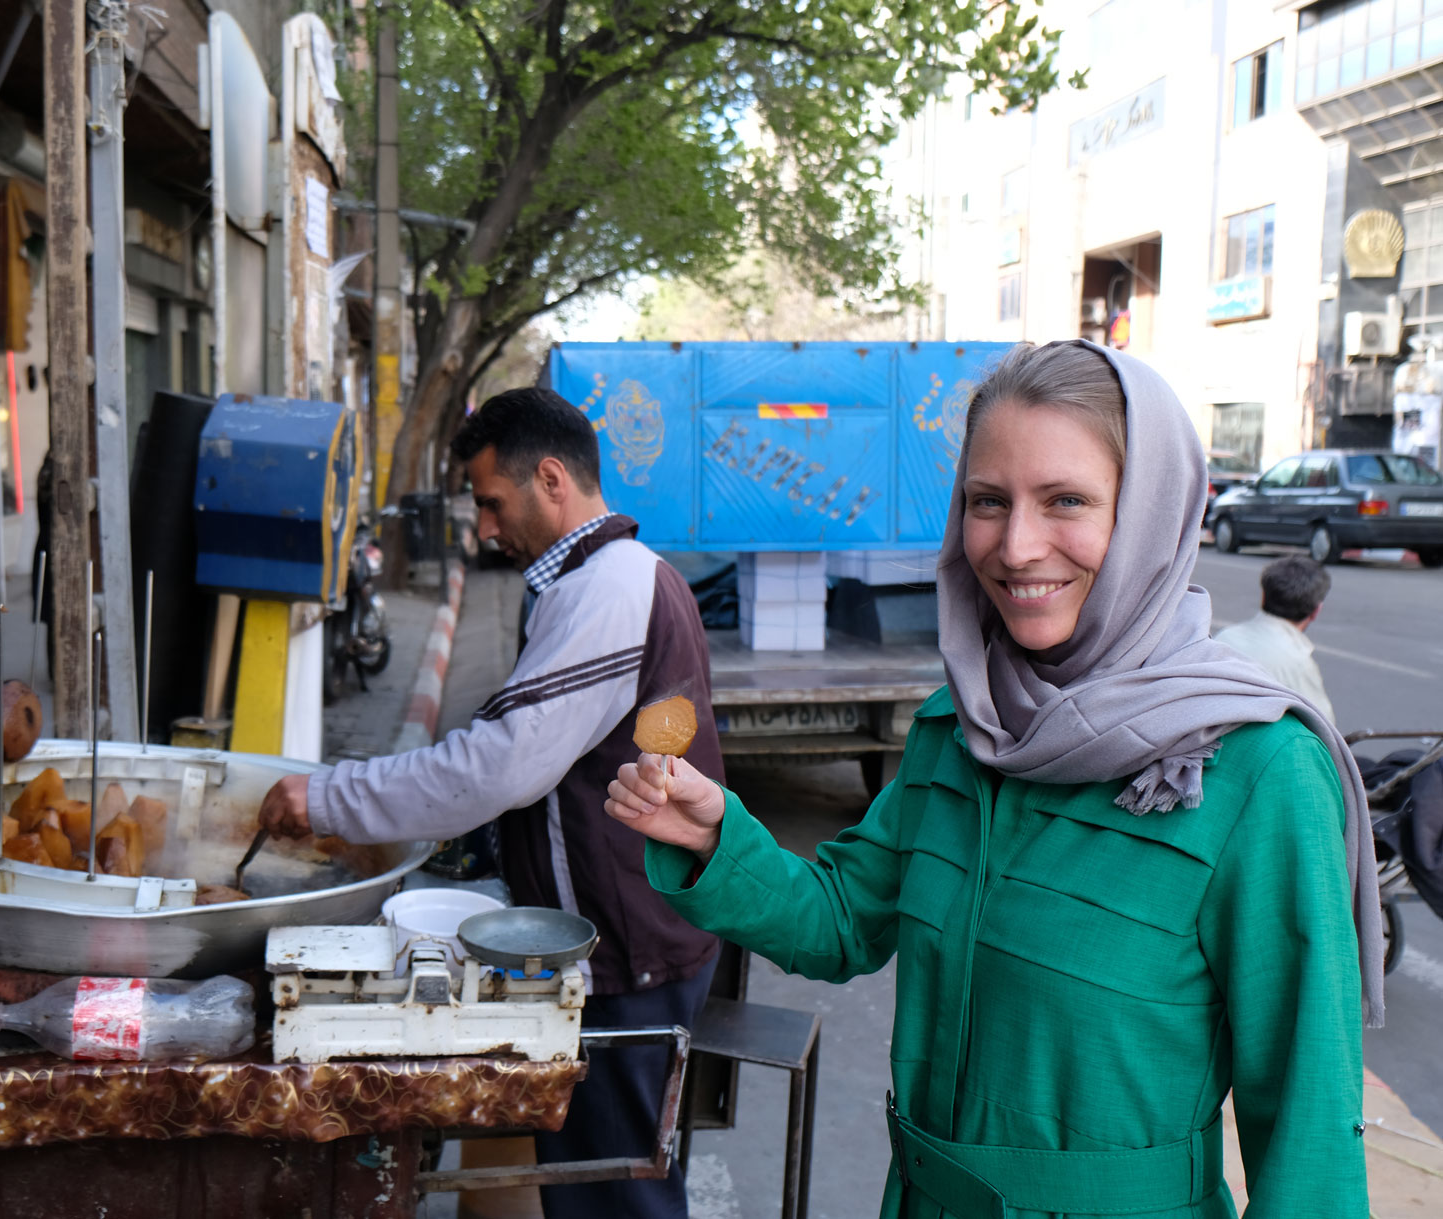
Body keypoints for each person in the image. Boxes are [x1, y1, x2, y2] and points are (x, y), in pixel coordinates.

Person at [606, 341, 1381, 1218]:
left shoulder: (1257, 772)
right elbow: (838, 922)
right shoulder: (960, 729)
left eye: (1066, 501)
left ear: (1153, 512)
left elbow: (1309, 1128)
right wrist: (717, 834)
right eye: (987, 502)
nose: (1015, 547)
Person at [257, 387, 722, 1218]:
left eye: (490, 501)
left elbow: (497, 767)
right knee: (605, 1183)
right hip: (629, 930)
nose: (485, 527)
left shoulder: (606, 589)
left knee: (616, 1196)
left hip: (624, 947)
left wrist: (327, 796)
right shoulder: (602, 579)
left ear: (550, 478)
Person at [1215, 554, 1335, 722]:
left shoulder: (1224, 637)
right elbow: (1323, 726)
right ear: (1316, 610)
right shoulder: (1297, 663)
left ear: (1263, 596)